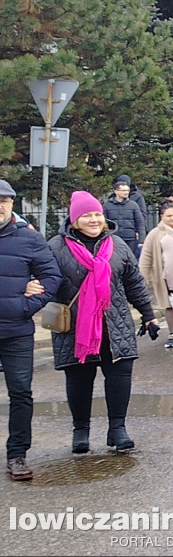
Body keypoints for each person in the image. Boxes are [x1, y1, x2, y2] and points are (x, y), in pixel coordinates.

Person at [48, 191, 158, 454]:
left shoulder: (117, 245)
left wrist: (148, 314)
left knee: (119, 377)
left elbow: (134, 284)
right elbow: (46, 281)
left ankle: (117, 429)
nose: (94, 220)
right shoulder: (55, 247)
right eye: (87, 215)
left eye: (97, 214)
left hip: (115, 324)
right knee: (79, 379)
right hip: (77, 327)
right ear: (74, 220)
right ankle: (81, 431)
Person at [0, 180, 61, 481]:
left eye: (5, 201)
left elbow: (52, 277)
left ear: (12, 204)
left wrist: (27, 306)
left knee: (21, 392)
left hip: (16, 329)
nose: (0, 206)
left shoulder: (29, 238)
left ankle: (17, 455)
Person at [139, 201, 173, 349]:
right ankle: (172, 334)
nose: (172, 219)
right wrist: (143, 274)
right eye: (169, 216)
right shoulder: (155, 234)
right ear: (162, 216)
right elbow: (147, 255)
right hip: (166, 276)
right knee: (170, 305)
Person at [103, 180, 145, 255]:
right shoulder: (107, 205)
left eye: (127, 190)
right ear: (116, 191)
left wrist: (142, 240)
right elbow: (104, 223)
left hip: (130, 239)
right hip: (114, 238)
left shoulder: (133, 205)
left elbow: (140, 222)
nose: (126, 192)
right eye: (123, 190)